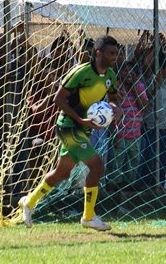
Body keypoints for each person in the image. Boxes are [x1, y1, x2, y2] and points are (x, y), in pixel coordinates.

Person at [18, 34, 120, 231]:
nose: (115, 57)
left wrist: (117, 108)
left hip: (83, 128)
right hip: (69, 126)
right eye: (110, 53)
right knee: (97, 166)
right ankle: (88, 216)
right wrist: (80, 119)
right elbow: (58, 99)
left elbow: (114, 98)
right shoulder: (81, 73)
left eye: (116, 53)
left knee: (62, 173)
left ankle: (29, 201)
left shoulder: (110, 76)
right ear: (98, 53)